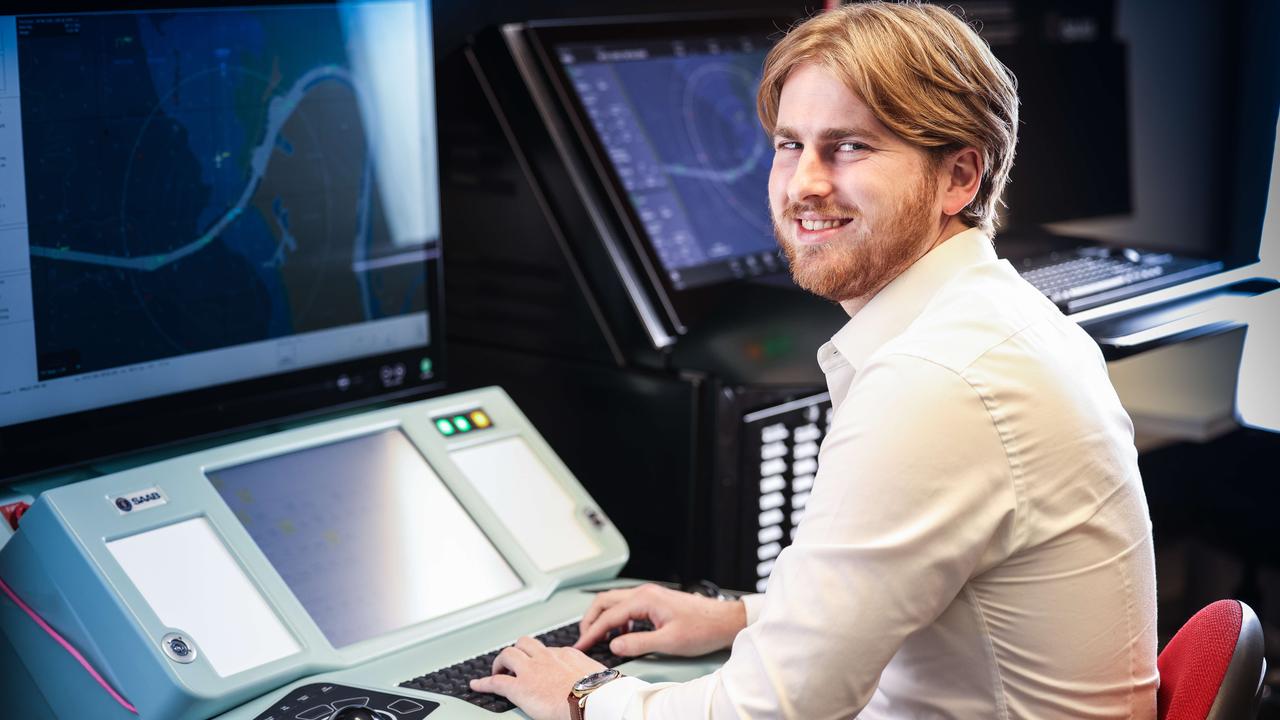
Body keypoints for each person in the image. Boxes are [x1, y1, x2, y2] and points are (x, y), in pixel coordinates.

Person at [471, 2, 1158, 717]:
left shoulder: (938, 383)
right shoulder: (1001, 320)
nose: (805, 184)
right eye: (788, 144)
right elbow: (917, 593)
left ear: (960, 177)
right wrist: (741, 619)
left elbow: (771, 713)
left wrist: (583, 696)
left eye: (851, 147)